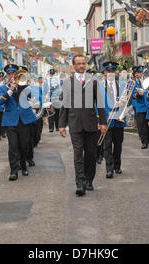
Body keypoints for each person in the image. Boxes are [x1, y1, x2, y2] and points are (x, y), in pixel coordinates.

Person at [59, 55, 107, 196]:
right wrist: (62, 124)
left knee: (91, 154)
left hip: (91, 123)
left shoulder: (93, 81)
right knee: (78, 154)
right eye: (78, 64)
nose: (81, 66)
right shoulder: (68, 82)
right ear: (73, 66)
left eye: (83, 63)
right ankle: (79, 184)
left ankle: (89, 180)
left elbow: (100, 103)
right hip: (75, 123)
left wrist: (103, 122)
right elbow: (65, 104)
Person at [0, 64, 37, 181]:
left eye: (13, 74)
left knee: (24, 145)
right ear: (7, 75)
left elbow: (32, 95)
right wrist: (11, 90)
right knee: (13, 146)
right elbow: (0, 101)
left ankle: (24, 165)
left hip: (24, 119)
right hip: (11, 120)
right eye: (9, 74)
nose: (11, 76)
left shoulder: (24, 86)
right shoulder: (3, 88)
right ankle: (13, 171)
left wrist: (22, 85)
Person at [99, 62, 126, 178]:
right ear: (105, 73)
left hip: (119, 120)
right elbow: (97, 104)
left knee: (118, 144)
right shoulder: (99, 86)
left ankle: (117, 166)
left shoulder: (123, 85)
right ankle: (109, 169)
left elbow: (129, 99)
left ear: (115, 73)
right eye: (108, 71)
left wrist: (123, 102)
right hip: (106, 119)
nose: (110, 73)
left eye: (112, 71)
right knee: (107, 145)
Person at [132, 66, 149, 149]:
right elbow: (131, 94)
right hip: (139, 106)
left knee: (148, 125)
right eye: (136, 73)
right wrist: (137, 94)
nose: (138, 74)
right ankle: (144, 142)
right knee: (141, 126)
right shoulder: (132, 82)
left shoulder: (144, 81)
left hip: (146, 105)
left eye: (139, 73)